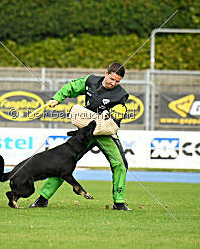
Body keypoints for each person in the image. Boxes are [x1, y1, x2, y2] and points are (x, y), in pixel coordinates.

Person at [30, 62, 132, 211]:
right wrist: (57, 98)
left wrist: (112, 114)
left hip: (105, 133)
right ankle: (42, 199)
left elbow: (119, 111)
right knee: (63, 165)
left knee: (120, 165)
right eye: (112, 79)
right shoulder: (90, 81)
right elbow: (71, 87)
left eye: (117, 81)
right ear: (106, 73)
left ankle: (119, 202)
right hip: (85, 132)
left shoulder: (121, 94)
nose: (113, 83)